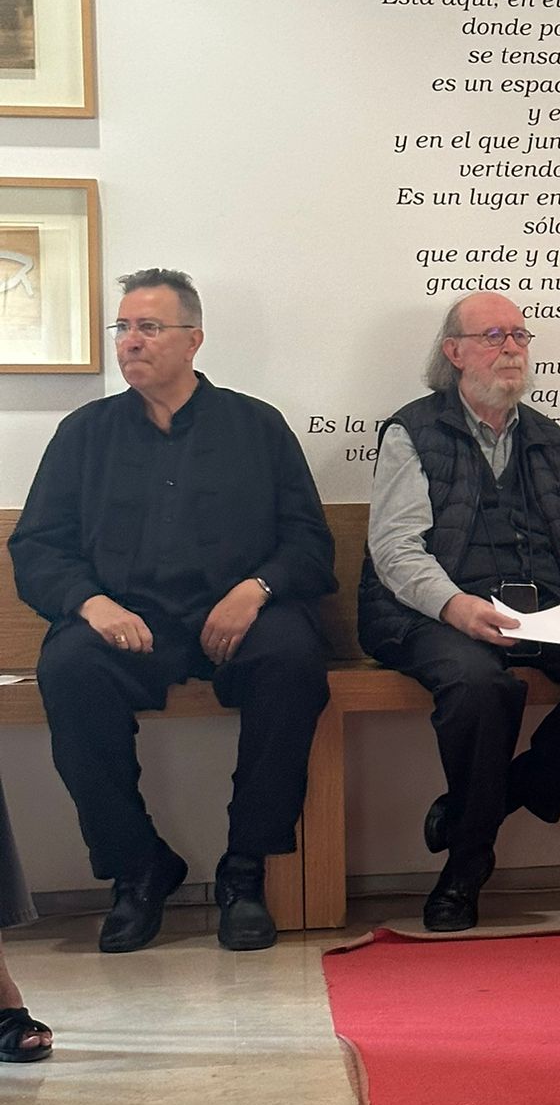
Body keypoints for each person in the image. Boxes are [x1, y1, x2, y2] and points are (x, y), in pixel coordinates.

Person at [9, 269, 335, 953]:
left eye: (148, 327)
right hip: (129, 623)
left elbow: (309, 543)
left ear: (194, 340)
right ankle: (138, 868)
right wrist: (89, 603)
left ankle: (246, 869)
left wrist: (256, 590)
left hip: (239, 618)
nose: (131, 342)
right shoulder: (84, 433)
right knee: (68, 667)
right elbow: (37, 547)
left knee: (294, 659)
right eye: (123, 328)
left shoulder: (257, 427)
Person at [358, 293, 560, 932]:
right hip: (432, 615)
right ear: (454, 353)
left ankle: (495, 801)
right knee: (479, 687)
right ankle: (465, 868)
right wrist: (455, 605)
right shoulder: (412, 431)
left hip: (541, 610)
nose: (512, 348)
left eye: (520, 336)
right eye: (494, 335)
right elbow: (394, 547)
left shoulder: (548, 439)